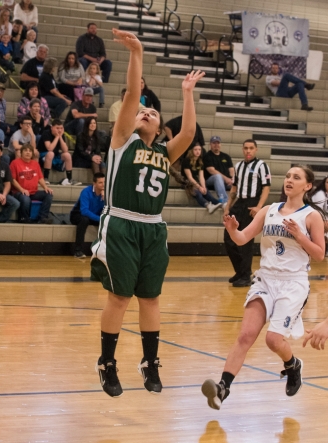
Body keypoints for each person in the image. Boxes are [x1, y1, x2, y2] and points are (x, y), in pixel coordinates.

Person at [91, 28, 204, 398]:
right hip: (121, 223)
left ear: (159, 128)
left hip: (153, 229)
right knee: (119, 297)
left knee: (151, 298)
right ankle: (107, 362)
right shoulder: (122, 141)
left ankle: (150, 362)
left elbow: (189, 132)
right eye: (142, 110)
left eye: (152, 113)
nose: (146, 112)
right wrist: (136, 53)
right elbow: (132, 96)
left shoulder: (164, 152)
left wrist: (187, 93)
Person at [201, 165, 325, 410]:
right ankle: (222, 388)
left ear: (308, 186)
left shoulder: (311, 216)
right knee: (245, 335)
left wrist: (300, 236)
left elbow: (320, 254)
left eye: (296, 177)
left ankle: (293, 365)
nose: (289, 180)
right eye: (288, 176)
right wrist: (233, 230)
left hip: (293, 283)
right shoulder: (269, 210)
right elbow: (242, 238)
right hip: (266, 279)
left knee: (273, 340)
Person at [223, 139, 271, 287]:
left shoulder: (262, 166)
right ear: (242, 149)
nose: (248, 151)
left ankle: (245, 276)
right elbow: (234, 188)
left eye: (251, 148)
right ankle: (240, 271)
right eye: (246, 148)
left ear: (256, 149)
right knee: (228, 238)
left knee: (246, 241)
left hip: (252, 204)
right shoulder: (238, 166)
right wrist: (228, 207)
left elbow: (266, 187)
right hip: (239, 203)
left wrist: (259, 207)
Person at [10, 143, 53, 224]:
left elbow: (40, 178)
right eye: (25, 150)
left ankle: (43, 217)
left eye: (30, 151)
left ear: (32, 154)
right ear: (21, 152)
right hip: (19, 192)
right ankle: (24, 218)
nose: (28, 152)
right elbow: (12, 180)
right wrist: (22, 189)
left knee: (48, 194)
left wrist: (45, 187)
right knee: (26, 199)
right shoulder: (15, 163)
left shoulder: (35, 164)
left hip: (33, 192)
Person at [70, 172, 105, 258]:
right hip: (77, 214)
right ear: (94, 184)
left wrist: (105, 199)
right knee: (84, 220)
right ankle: (78, 251)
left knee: (108, 221)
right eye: (100, 182)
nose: (103, 184)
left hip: (94, 215)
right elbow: (84, 211)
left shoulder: (106, 194)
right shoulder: (86, 191)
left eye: (104, 182)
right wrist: (100, 219)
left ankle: (105, 250)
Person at [37, 119, 80, 185]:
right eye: (57, 128)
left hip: (54, 155)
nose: (59, 130)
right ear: (52, 127)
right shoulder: (46, 133)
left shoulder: (61, 135)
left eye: (61, 128)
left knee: (67, 155)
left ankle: (69, 179)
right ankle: (45, 178)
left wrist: (60, 137)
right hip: (43, 155)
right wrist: (57, 137)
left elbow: (65, 150)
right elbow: (49, 148)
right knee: (51, 153)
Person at [181, 143, 221, 213]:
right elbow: (189, 177)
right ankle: (208, 205)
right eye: (195, 150)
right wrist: (199, 187)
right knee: (198, 193)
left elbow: (201, 176)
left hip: (196, 181)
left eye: (199, 150)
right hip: (188, 182)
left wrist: (203, 187)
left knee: (207, 193)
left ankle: (221, 204)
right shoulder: (186, 161)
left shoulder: (200, 161)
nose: (198, 151)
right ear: (191, 151)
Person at [203, 136, 234, 206]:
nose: (216, 145)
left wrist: (232, 179)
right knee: (217, 176)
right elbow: (212, 171)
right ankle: (224, 200)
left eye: (218, 143)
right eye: (214, 143)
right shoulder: (207, 156)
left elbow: (231, 170)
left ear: (220, 144)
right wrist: (226, 179)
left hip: (227, 182)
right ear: (210, 144)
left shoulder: (226, 156)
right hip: (211, 181)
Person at [311, 176, 328, 257]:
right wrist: (324, 222)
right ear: (324, 183)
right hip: (317, 219)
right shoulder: (320, 194)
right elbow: (318, 211)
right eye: (327, 182)